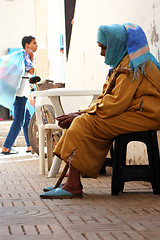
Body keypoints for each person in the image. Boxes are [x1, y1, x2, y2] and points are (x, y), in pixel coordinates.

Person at [40, 23, 160, 199]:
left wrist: (82, 114)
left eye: (104, 47)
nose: (102, 52)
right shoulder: (124, 61)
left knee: (84, 122)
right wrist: (83, 112)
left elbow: (116, 103)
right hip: (136, 111)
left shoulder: (130, 65)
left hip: (147, 115)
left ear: (116, 44)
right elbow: (110, 99)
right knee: (83, 120)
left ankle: (73, 185)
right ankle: (70, 182)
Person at [1, 36, 38, 154]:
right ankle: (6, 146)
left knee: (26, 119)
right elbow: (32, 71)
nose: (37, 45)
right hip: (20, 93)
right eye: (34, 43)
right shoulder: (26, 55)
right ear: (27, 45)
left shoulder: (21, 55)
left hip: (22, 92)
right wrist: (32, 59)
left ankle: (30, 145)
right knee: (18, 121)